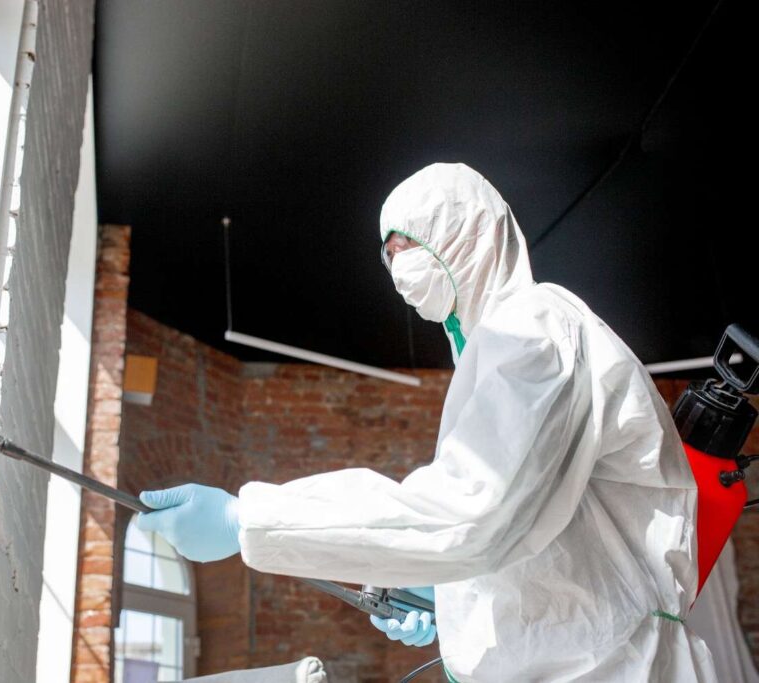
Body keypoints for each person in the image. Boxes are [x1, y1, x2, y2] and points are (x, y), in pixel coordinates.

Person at [136, 163, 717, 681]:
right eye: (387, 253)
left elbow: (475, 513)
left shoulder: (538, 331)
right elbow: (537, 535)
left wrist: (247, 519)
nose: (397, 266)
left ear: (473, 233)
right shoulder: (490, 351)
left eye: (407, 243)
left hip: (620, 666)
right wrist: (451, 598)